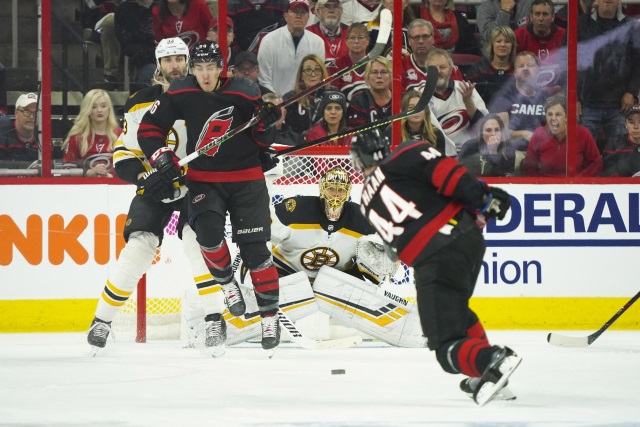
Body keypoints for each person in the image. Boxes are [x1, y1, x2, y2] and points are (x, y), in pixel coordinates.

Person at [350, 128, 521, 406]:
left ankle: (492, 360)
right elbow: (450, 177)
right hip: (467, 240)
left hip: (434, 259)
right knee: (457, 316)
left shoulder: (365, 203)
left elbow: (402, 241)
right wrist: (485, 198)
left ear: (359, 160)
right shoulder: (407, 151)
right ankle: (488, 372)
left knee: (445, 346)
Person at [136, 41, 284, 351]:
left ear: (221, 69)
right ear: (193, 70)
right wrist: (162, 156)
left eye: (210, 68)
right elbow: (149, 127)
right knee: (207, 238)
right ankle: (228, 284)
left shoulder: (244, 90)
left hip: (246, 181)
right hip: (204, 181)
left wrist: (268, 125)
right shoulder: (179, 91)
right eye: (199, 69)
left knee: (256, 251)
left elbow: (262, 135)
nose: (205, 75)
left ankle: (269, 316)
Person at [87, 37, 231, 355]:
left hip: (196, 187)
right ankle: (102, 321)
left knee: (199, 244)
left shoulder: (209, 99)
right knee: (139, 247)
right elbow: (124, 155)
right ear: (159, 65)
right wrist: (145, 176)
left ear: (189, 63)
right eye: (168, 60)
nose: (175, 65)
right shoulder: (140, 103)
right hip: (156, 184)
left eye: (180, 59)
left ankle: (213, 320)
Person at [577, 0, 640, 148]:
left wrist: (631, 92)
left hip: (619, 107)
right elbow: (567, 61)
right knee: (583, 155)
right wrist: (573, 97)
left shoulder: (632, 26)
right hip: (587, 105)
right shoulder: (579, 25)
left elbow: (639, 63)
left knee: (620, 156)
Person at [257, 0, 326, 97]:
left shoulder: (317, 43)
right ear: (286, 16)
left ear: (308, 17)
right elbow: (264, 80)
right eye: (294, 12)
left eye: (302, 12)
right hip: (277, 103)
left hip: (306, 102)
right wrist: (277, 102)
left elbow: (318, 78)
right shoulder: (269, 41)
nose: (299, 16)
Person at [523, 93, 602, 176]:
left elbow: (596, 164)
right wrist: (542, 185)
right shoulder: (538, 134)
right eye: (549, 114)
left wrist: (578, 181)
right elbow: (529, 167)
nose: (553, 118)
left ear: (567, 117)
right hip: (547, 187)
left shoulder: (582, 133)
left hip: (574, 186)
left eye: (558, 114)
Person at [427, 48, 489, 152]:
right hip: (437, 153)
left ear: (451, 69)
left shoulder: (465, 88)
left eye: (442, 67)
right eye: (433, 68)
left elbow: (484, 125)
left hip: (468, 152)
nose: (438, 71)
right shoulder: (420, 95)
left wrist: (468, 102)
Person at [489, 51, 547, 150]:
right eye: (521, 66)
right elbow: (495, 132)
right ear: (515, 73)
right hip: (512, 151)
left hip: (541, 150)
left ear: (538, 70)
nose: (525, 68)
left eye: (530, 65)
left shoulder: (545, 97)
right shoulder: (503, 97)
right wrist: (524, 134)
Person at [62, 89, 121, 178]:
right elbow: (67, 169)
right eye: (94, 107)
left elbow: (130, 166)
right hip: (85, 189)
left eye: (103, 106)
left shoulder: (121, 135)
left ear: (109, 108)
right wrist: (88, 172)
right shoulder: (77, 138)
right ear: (87, 109)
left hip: (115, 188)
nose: (99, 110)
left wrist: (111, 175)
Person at [514, 0, 566, 92]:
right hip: (526, 93)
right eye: (537, 14)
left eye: (545, 14)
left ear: (553, 17)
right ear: (531, 16)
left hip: (557, 93)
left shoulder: (565, 36)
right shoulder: (518, 36)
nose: (541, 18)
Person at [402, 19, 464, 94]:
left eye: (425, 36)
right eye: (416, 37)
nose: (421, 41)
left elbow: (458, 96)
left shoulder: (449, 67)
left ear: (433, 38)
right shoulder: (400, 66)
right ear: (409, 41)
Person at [383, 90, 453, 155]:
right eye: (411, 108)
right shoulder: (392, 133)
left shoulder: (436, 134)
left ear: (426, 111)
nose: (416, 112)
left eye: (420, 107)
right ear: (404, 111)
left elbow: (440, 163)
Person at [458, 113, 524, 176]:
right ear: (481, 133)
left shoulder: (508, 148)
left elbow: (501, 177)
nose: (493, 134)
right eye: (488, 130)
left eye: (497, 130)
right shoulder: (470, 146)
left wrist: (493, 152)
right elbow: (464, 173)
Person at [465, 26, 516, 105]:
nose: (503, 45)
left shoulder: (518, 71)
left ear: (512, 45)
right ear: (492, 45)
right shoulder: (477, 70)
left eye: (507, 41)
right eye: (498, 41)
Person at [114, 0, 157, 91]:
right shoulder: (124, 9)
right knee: (153, 72)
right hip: (141, 63)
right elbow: (127, 44)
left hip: (166, 57)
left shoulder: (163, 7)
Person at [283, 54, 329, 136]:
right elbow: (286, 130)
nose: (313, 74)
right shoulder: (290, 98)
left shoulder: (330, 96)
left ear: (323, 74)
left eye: (317, 70)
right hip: (298, 145)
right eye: (308, 70)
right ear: (301, 75)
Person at [347, 56, 392, 128]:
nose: (379, 76)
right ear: (367, 76)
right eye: (374, 72)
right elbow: (357, 134)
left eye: (384, 72)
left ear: (391, 76)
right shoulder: (358, 102)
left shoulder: (401, 100)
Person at [306, 0, 349, 74]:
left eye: (335, 7)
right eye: (326, 7)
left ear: (341, 11)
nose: (331, 11)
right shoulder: (308, 34)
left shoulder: (351, 33)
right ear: (318, 11)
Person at [332, 23, 370, 101]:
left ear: (367, 41)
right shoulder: (336, 66)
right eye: (352, 38)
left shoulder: (375, 65)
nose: (356, 41)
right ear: (346, 41)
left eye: (360, 38)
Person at [0, 93, 40, 166]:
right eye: (27, 112)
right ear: (16, 113)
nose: (31, 117)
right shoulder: (2, 135)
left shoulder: (44, 137)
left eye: (36, 113)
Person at [602, 104, 640, 176]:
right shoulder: (614, 144)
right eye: (631, 122)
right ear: (625, 124)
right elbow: (607, 173)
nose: (636, 127)